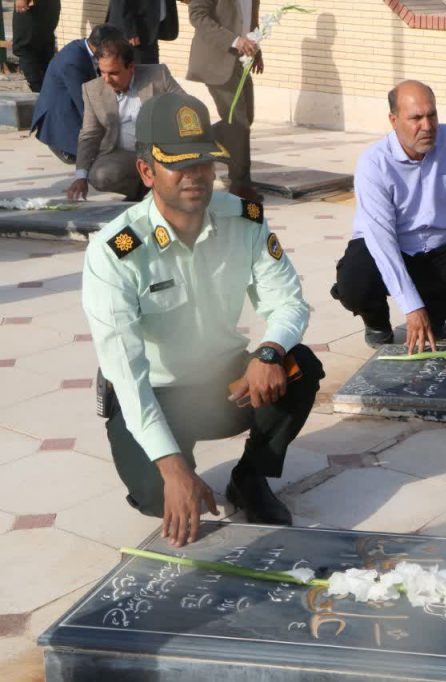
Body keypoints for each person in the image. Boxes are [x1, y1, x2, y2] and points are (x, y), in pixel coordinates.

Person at [81, 92, 323, 547]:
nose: (194, 174)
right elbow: (127, 376)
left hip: (222, 384)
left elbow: (288, 301)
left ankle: (250, 477)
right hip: (154, 391)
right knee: (158, 497)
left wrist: (269, 352)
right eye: (178, 164)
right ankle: (174, 461)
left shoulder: (244, 220)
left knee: (298, 365)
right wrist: (173, 469)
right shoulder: (115, 253)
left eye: (203, 162)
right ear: (147, 171)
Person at [330, 80, 446, 353]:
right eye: (416, 118)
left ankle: (433, 316)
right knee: (354, 281)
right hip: (384, 246)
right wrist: (411, 307)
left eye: (432, 115)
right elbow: (382, 241)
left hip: (436, 248)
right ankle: (376, 321)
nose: (427, 126)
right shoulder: (374, 163)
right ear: (394, 120)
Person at [69, 33, 185, 202]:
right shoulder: (92, 89)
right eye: (102, 72)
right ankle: (142, 193)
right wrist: (81, 176)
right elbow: (89, 134)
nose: (106, 79)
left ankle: (156, 193)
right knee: (100, 175)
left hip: (161, 151)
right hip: (124, 155)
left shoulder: (158, 75)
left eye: (113, 73)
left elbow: (187, 106)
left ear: (131, 67)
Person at [187, 0, 264, 201]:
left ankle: (195, 142)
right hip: (217, 60)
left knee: (244, 121)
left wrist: (256, 50)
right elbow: (197, 15)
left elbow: (249, 19)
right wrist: (234, 40)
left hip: (241, 61)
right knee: (238, 125)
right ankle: (240, 185)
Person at [30, 24, 121, 164]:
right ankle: (66, 148)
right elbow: (84, 101)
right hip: (59, 117)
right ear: (102, 47)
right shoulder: (73, 61)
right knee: (97, 157)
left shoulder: (85, 48)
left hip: (69, 105)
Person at [105, 0, 180, 65]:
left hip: (150, 30)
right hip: (135, 31)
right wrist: (130, 30)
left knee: (150, 69)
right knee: (139, 71)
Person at [11, 0, 60, 92]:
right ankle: (47, 89)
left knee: (26, 47)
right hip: (48, 6)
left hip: (33, 6)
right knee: (43, 45)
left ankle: (39, 90)